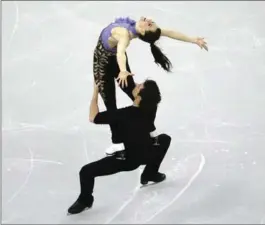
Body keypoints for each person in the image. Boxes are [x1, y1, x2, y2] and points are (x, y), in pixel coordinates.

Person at [93, 16, 208, 155]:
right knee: (118, 98)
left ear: (142, 32)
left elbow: (121, 52)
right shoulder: (136, 29)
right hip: (110, 62)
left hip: (105, 64)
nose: (149, 20)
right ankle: (128, 138)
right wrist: (193, 39)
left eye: (149, 24)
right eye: (151, 23)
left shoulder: (124, 34)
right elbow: (169, 32)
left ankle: (138, 133)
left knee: (129, 96)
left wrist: (123, 70)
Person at [67, 79, 171, 215]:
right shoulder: (151, 108)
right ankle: (150, 172)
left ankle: (85, 200)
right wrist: (124, 74)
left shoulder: (122, 115)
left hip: (126, 161)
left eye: (139, 86)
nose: (137, 84)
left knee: (86, 172)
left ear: (139, 96)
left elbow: (93, 117)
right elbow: (136, 94)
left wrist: (95, 93)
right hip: (146, 154)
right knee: (164, 139)